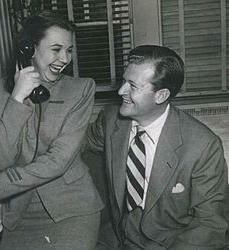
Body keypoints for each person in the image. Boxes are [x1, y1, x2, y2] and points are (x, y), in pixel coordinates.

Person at [0, 11, 103, 250]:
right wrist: (17, 98)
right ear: (29, 49)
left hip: (72, 208)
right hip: (19, 214)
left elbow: (59, 161)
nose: (64, 59)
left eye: (69, 50)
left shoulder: (80, 90)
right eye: (56, 49)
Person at [84, 45, 229, 249]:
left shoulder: (203, 146)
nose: (120, 91)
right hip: (116, 237)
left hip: (172, 243)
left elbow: (211, 225)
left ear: (160, 96)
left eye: (132, 86)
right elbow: (77, 144)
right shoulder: (111, 120)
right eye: (124, 81)